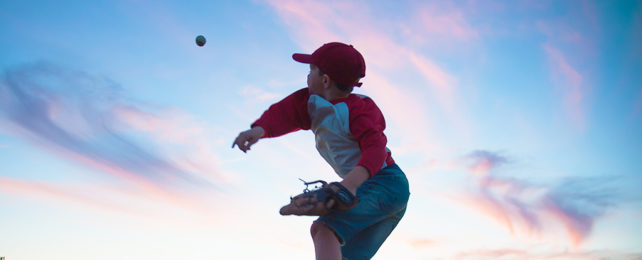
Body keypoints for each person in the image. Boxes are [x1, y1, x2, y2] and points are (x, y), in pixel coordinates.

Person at [232, 42, 410, 260]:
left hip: (386, 184)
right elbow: (285, 112)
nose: (307, 77)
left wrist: (349, 185)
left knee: (323, 230)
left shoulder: (358, 110)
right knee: (340, 254)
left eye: (311, 71)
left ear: (324, 80)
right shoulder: (311, 104)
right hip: (376, 190)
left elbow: (376, 149)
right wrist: (260, 129)